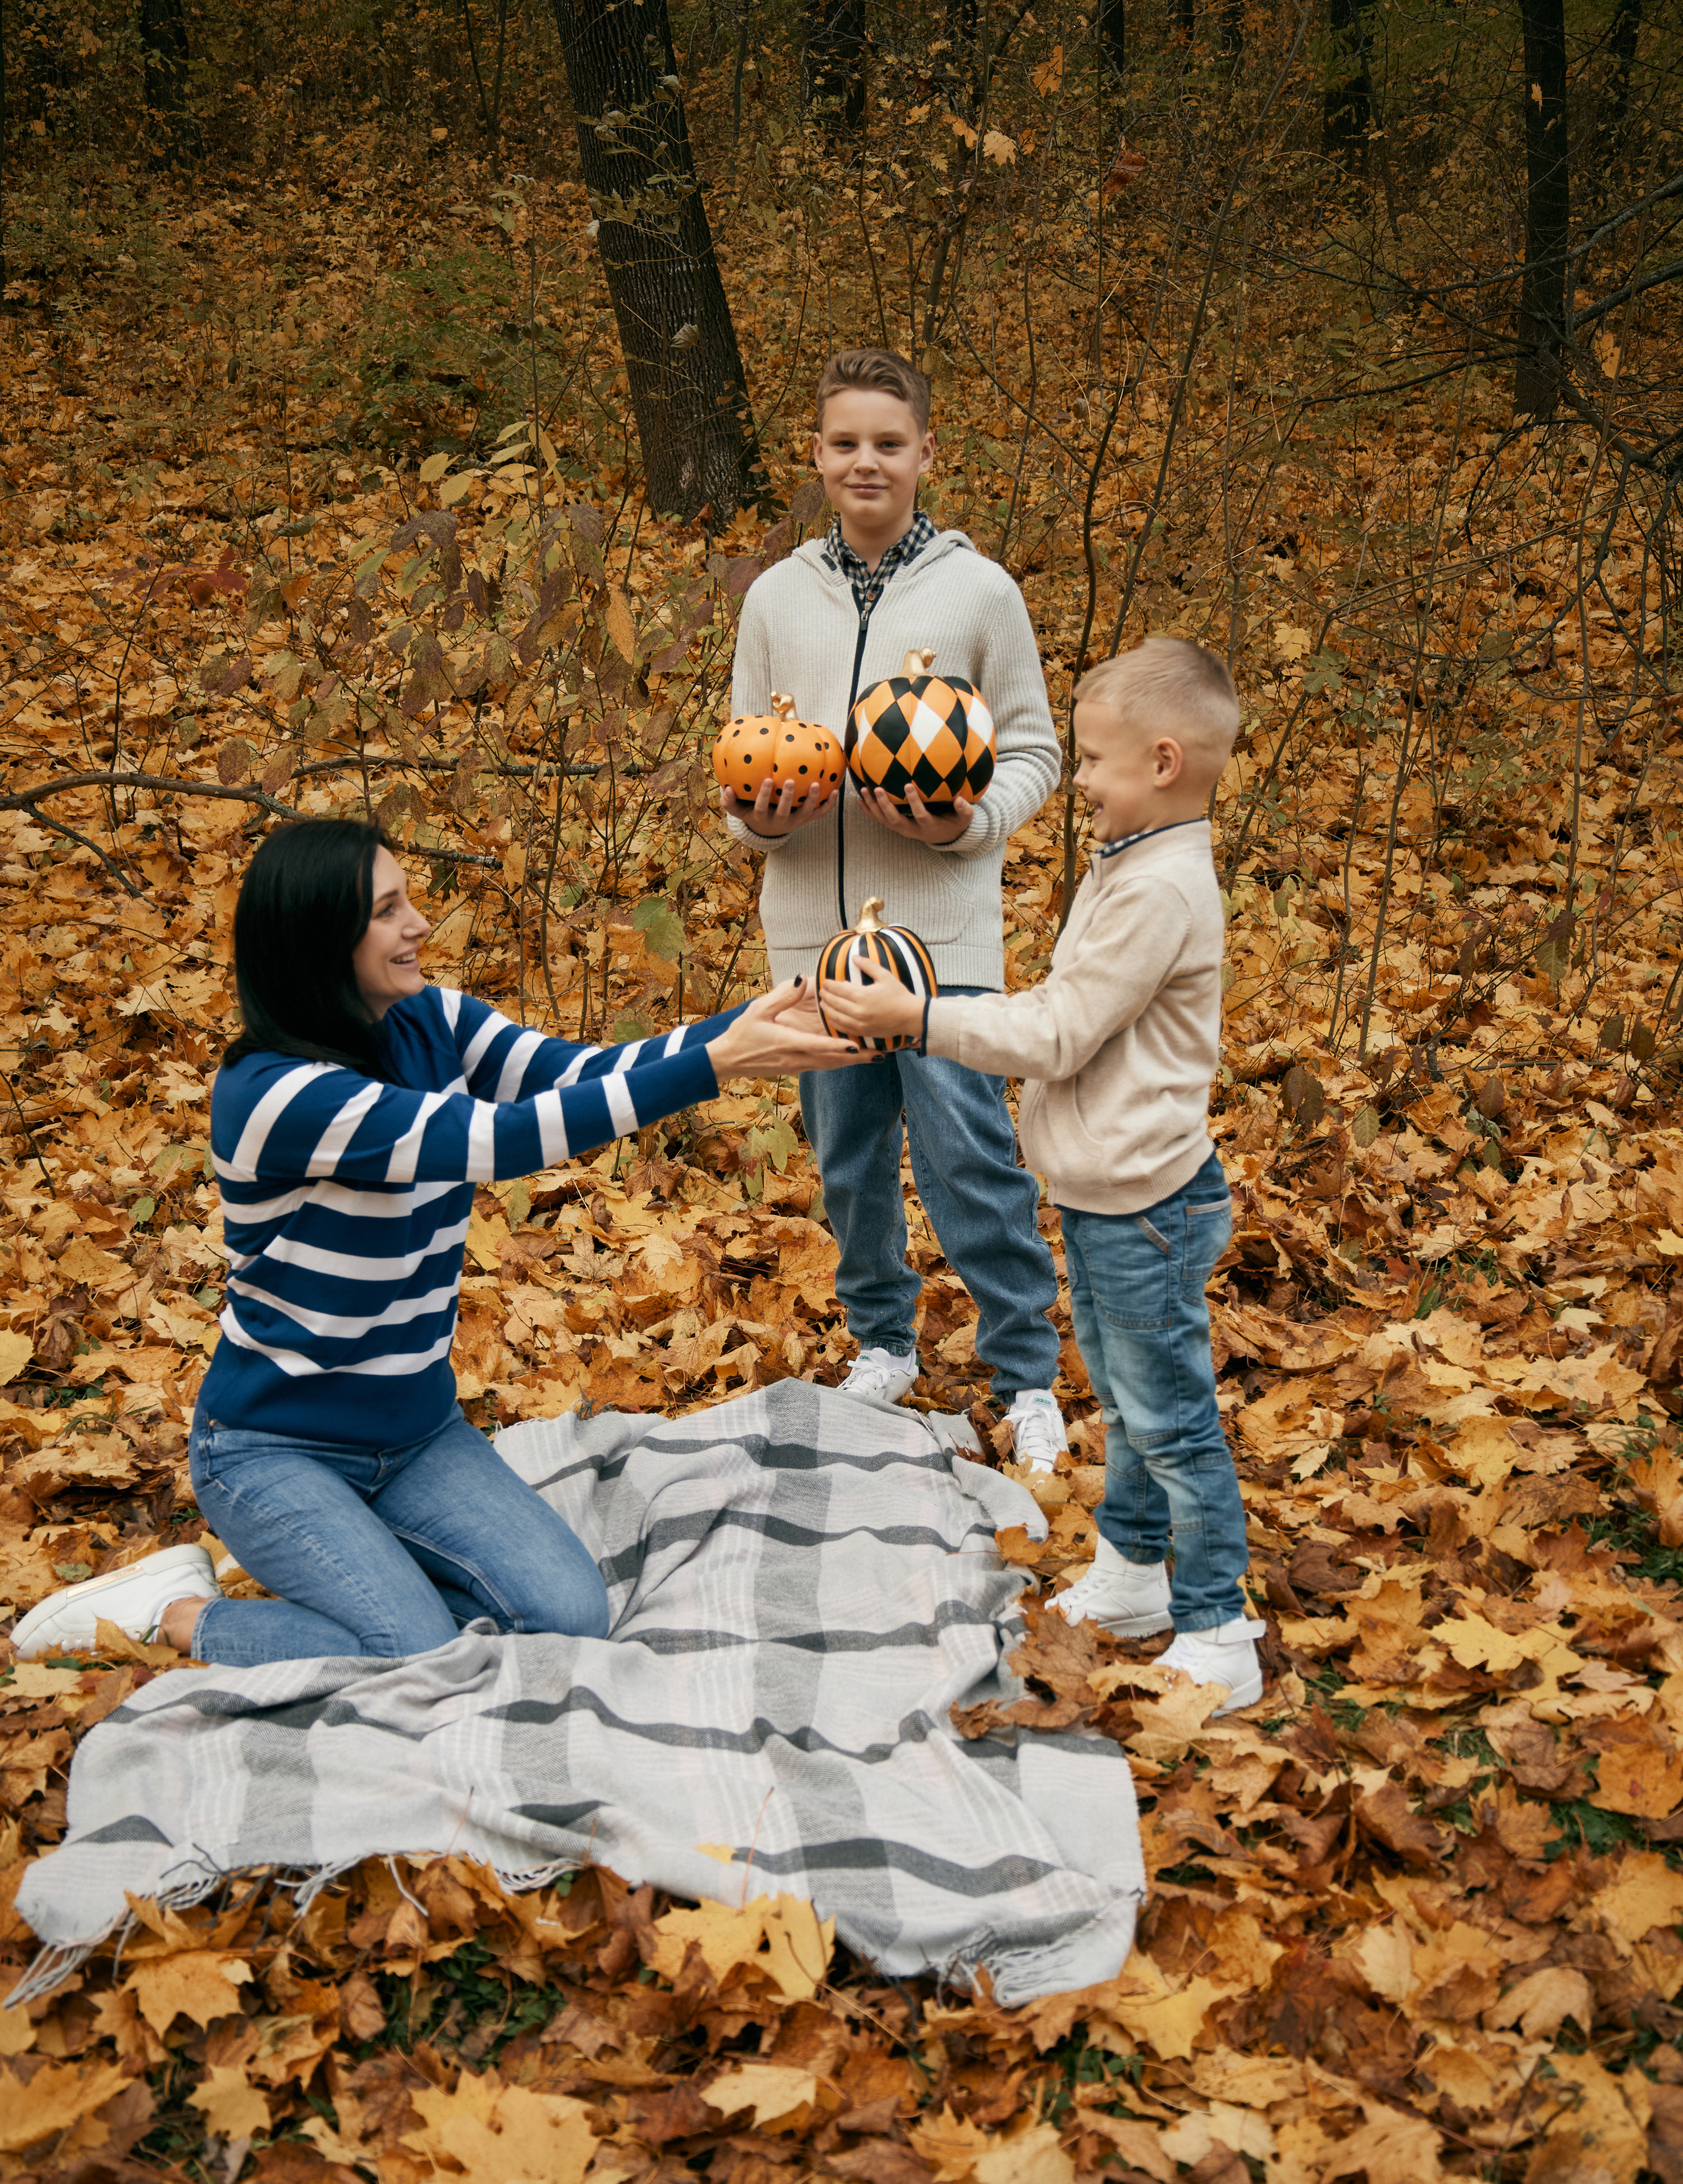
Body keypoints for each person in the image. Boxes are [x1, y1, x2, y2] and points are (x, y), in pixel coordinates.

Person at [11, 820, 866, 1667]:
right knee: (413, 1653)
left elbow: (580, 1074)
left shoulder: (434, 1022)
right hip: (272, 1449)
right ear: (321, 940)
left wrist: (739, 1032)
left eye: (406, 899)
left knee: (570, 1618)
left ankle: (377, 1585)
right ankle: (176, 1611)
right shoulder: (276, 1095)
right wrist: (717, 1064)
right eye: (388, 910)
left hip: (418, 1436)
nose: (419, 923)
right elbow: (500, 1138)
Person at [820, 638, 1265, 1711]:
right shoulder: (1133, 861)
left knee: (1169, 1416)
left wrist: (919, 1019)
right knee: (1121, 1391)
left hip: (1146, 1205)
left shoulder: (1160, 888)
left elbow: (1061, 1030)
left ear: (1163, 763)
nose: (1080, 780)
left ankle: (1218, 1624)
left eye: (1096, 762)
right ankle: (1131, 1571)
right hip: (1111, 1195)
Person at [719, 345, 1068, 1472]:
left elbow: (1034, 750)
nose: (865, 461)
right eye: (843, 443)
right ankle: (884, 1340)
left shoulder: (980, 592)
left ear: (927, 453)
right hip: (815, 934)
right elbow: (744, 770)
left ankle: (1025, 1371)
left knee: (969, 1158)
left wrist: (964, 826)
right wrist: (763, 824)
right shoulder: (776, 598)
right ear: (815, 457)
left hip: (939, 933)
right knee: (849, 1158)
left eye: (887, 442)